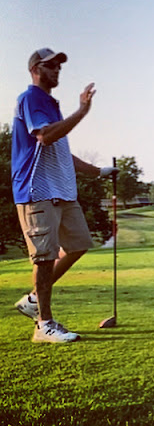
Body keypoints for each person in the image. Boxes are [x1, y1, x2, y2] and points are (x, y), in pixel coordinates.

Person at [12, 48, 117, 343]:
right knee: (45, 257)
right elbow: (45, 136)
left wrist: (99, 172)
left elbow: (60, 152)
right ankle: (44, 325)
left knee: (79, 243)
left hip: (61, 191)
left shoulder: (50, 105)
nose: (57, 69)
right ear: (35, 70)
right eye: (50, 65)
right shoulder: (31, 98)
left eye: (59, 65)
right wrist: (81, 111)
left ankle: (33, 299)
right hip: (36, 190)